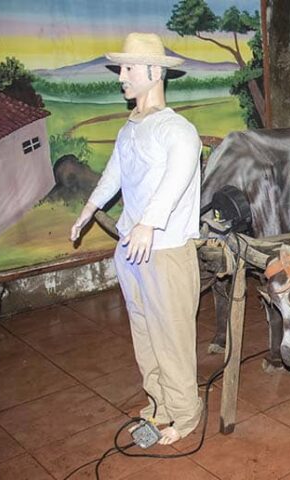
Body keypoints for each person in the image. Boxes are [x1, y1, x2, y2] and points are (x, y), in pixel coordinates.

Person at [70, 32, 203, 446]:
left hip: (165, 251)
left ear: (154, 72)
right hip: (131, 250)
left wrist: (149, 221)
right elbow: (115, 174)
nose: (120, 77)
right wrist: (90, 208)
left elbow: (178, 177)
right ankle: (159, 404)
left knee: (173, 337)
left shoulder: (177, 129)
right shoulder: (132, 128)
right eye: (121, 68)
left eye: (128, 68)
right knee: (145, 334)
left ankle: (185, 414)